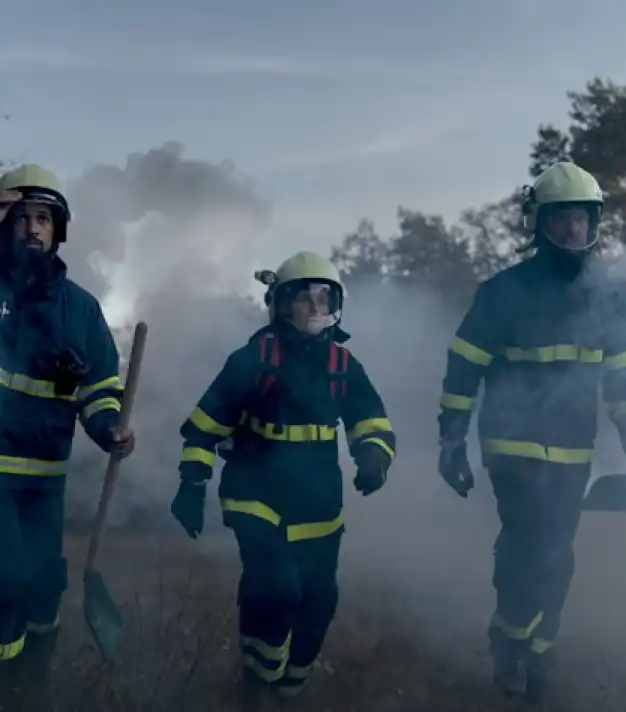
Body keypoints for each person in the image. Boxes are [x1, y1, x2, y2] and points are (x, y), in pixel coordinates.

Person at [436, 161, 626, 703]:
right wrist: (452, 438)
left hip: (573, 448)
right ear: (538, 223)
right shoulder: (503, 293)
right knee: (528, 545)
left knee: (558, 553)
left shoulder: (609, 298)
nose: (574, 231)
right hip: (512, 443)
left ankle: (536, 647)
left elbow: (621, 385)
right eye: (562, 218)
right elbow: (463, 368)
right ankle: (510, 651)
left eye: (583, 219)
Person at [171, 250, 396, 698]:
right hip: (255, 496)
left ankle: (291, 689)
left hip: (318, 505)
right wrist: (192, 484)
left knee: (319, 601)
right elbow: (203, 429)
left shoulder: (342, 365)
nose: (316, 307)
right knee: (277, 589)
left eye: (323, 296)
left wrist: (374, 457)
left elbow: (371, 421)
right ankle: (258, 683)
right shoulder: (251, 361)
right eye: (305, 298)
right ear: (280, 305)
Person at [0, 164, 136, 705]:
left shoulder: (80, 308)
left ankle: (33, 682)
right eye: (22, 217)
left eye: (44, 219)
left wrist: (109, 428)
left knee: (45, 583)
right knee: (6, 578)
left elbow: (102, 386)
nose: (33, 228)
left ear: (59, 230)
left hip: (44, 480)